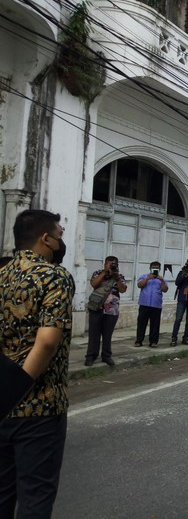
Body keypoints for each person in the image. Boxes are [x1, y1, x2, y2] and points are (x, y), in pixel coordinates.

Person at [0, 209, 75, 518]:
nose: (61, 240)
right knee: (35, 497)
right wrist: (17, 388)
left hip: (1, 404)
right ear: (45, 239)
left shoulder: (2, 273)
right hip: (39, 406)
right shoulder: (54, 276)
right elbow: (47, 341)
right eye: (59, 235)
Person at [86, 256, 127, 367]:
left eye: (114, 264)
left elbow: (123, 289)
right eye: (110, 264)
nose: (112, 266)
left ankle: (106, 356)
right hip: (96, 307)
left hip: (112, 309)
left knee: (107, 334)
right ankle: (91, 356)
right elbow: (94, 284)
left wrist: (117, 278)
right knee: (94, 333)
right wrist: (104, 272)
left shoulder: (119, 276)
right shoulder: (98, 273)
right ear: (105, 264)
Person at [134, 261, 168, 348]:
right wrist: (148, 278)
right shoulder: (144, 276)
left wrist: (162, 281)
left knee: (155, 325)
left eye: (157, 267)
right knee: (141, 323)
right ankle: (139, 341)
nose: (155, 268)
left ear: (159, 269)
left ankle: (153, 342)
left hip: (156, 305)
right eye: (153, 267)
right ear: (150, 268)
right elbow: (139, 285)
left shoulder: (161, 279)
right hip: (144, 304)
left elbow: (165, 290)